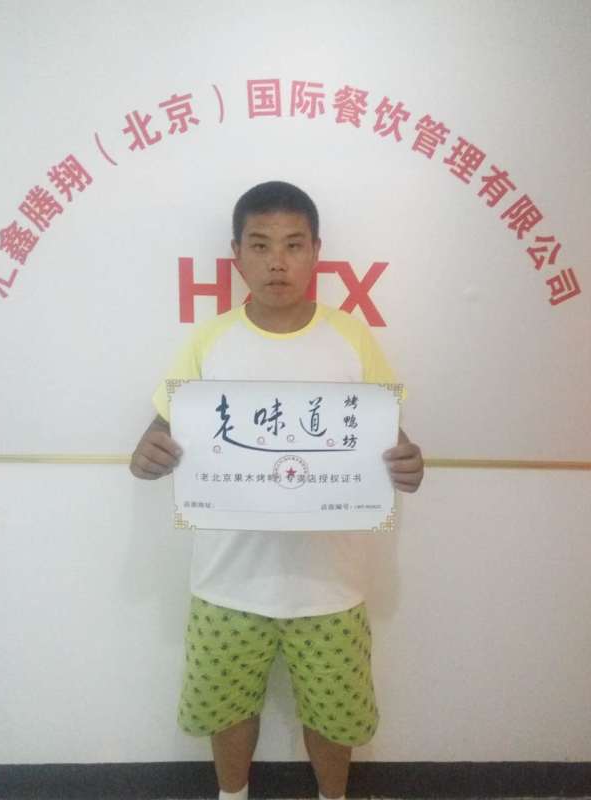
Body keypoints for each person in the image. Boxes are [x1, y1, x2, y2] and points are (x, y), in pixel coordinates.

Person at [130, 181, 424, 800]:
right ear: (236, 254)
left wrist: (409, 464)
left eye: (293, 244)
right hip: (227, 579)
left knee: (334, 719)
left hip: (330, 585)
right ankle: (231, 795)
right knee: (228, 710)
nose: (277, 262)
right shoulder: (210, 340)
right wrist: (147, 455)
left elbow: (392, 440)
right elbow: (160, 430)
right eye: (260, 245)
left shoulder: (352, 337)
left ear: (317, 251)